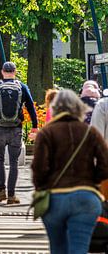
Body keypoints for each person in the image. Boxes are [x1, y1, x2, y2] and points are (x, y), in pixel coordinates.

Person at [32, 89, 108, 254]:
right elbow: (105, 165)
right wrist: (92, 182)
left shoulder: (47, 133)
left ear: (54, 108)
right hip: (85, 198)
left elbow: (38, 169)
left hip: (54, 199)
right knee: (79, 248)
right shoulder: (90, 132)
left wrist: (43, 187)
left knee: (57, 247)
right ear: (79, 108)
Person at [0, 61, 38, 204]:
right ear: (15, 71)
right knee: (13, 162)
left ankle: (1, 191)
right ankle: (12, 195)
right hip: (16, 129)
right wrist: (35, 126)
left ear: (2, 71)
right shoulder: (22, 87)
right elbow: (31, 106)